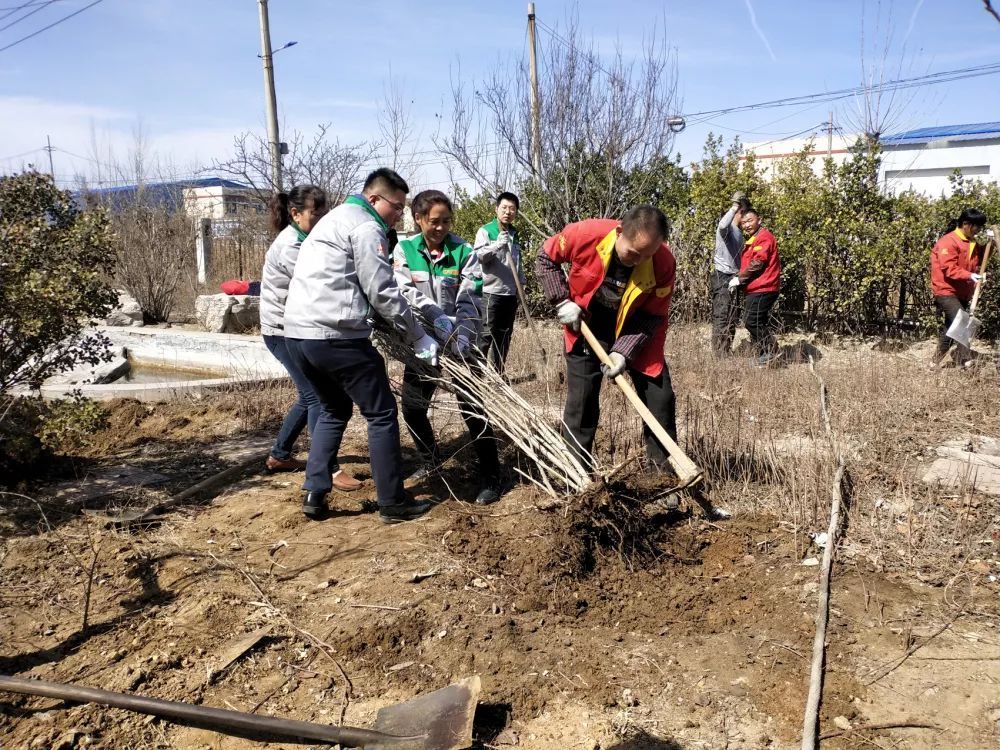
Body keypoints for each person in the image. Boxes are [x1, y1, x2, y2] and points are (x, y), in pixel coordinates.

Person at [283, 168, 440, 523]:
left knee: (332, 408)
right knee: (382, 413)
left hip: (298, 335)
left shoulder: (334, 219)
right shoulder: (366, 227)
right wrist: (418, 334)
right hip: (335, 336)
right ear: (374, 199)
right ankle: (393, 502)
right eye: (396, 207)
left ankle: (314, 493)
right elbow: (381, 290)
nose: (399, 215)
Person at [535, 205, 677, 472]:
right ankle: (576, 476)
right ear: (620, 231)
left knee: (661, 398)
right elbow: (545, 257)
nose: (639, 261)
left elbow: (652, 316)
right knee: (582, 402)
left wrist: (623, 351)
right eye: (634, 253)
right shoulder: (586, 234)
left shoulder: (663, 262)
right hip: (587, 323)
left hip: (636, 328)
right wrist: (561, 300)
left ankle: (662, 474)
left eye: (647, 255)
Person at [394, 189, 503, 505]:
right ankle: (430, 460)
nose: (441, 228)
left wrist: (465, 334)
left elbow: (471, 296)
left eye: (446, 221)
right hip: (423, 340)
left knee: (472, 407)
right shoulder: (405, 251)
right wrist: (432, 317)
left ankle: (490, 476)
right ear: (418, 219)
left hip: (459, 340)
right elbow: (403, 292)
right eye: (434, 222)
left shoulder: (463, 250)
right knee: (414, 407)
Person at [258, 186, 363, 491]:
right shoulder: (291, 245)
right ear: (296, 213)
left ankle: (279, 455)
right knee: (319, 396)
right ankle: (327, 468)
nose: (322, 217)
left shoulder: (306, 239)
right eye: (316, 212)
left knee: (310, 395)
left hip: (294, 328)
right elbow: (321, 282)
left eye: (324, 211)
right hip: (283, 330)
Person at [474, 191, 525, 374]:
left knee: (504, 336)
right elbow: (478, 257)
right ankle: (476, 376)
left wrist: (521, 283)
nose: (508, 212)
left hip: (510, 293)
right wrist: (496, 245)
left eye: (512, 209)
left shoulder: (514, 233)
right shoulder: (486, 230)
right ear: (496, 209)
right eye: (504, 208)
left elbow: (518, 261)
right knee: (486, 335)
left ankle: (498, 375)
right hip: (490, 292)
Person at [930, 208, 989, 368]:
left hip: (962, 292)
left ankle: (933, 363)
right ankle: (966, 360)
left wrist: (992, 243)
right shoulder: (948, 241)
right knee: (962, 321)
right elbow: (948, 267)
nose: (978, 231)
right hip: (946, 290)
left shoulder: (972, 243)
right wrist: (969, 275)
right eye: (977, 227)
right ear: (966, 224)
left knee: (951, 329)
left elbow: (982, 257)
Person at [730, 209, 781, 367]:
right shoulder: (754, 239)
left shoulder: (764, 237)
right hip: (756, 288)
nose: (746, 225)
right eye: (743, 222)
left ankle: (771, 352)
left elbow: (758, 262)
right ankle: (763, 356)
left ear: (759, 220)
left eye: (750, 221)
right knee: (759, 321)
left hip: (764, 287)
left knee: (751, 322)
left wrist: (739, 279)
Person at [712, 192, 752, 357]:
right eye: (745, 214)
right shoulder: (727, 229)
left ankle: (726, 351)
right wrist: (735, 205)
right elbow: (721, 226)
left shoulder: (739, 233)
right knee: (722, 315)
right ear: (740, 213)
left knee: (732, 316)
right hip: (722, 276)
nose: (746, 221)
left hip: (733, 278)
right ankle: (719, 355)